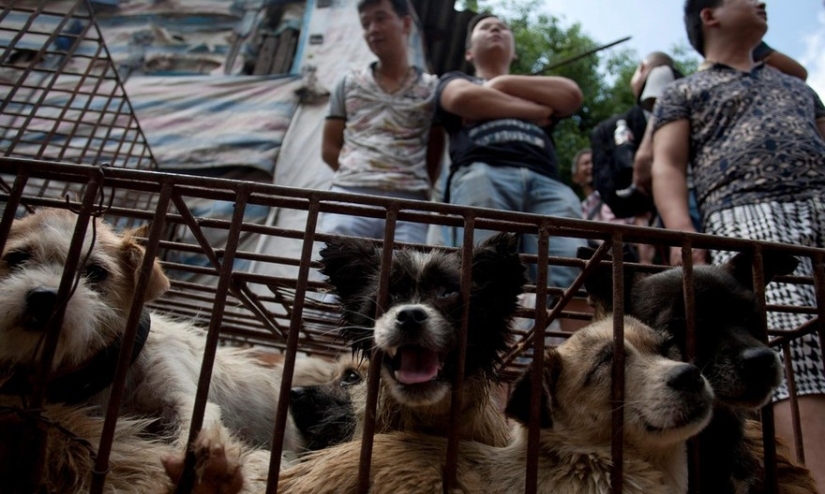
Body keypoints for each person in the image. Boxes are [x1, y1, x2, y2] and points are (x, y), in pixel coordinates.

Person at [651, 0, 825, 489]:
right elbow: (667, 164)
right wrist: (686, 236)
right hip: (746, 213)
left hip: (821, 204)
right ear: (709, 15)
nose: (762, 1)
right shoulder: (684, 89)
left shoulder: (798, 87)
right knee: (791, 350)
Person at [435, 12, 587, 331]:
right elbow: (461, 97)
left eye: (503, 28)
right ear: (468, 52)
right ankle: (488, 346)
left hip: (548, 183)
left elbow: (571, 94)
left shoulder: (525, 85)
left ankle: (540, 345)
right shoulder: (454, 78)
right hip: (482, 171)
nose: (495, 29)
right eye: (484, 27)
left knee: (564, 272)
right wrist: (537, 111)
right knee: (484, 265)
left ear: (515, 51)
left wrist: (500, 86)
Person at [319, 0, 444, 243]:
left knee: (404, 279)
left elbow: (436, 149)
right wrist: (359, 174)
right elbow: (328, 148)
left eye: (380, 18)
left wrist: (411, 182)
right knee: (339, 277)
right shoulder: (349, 83)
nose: (372, 29)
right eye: (365, 24)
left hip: (411, 204)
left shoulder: (431, 88)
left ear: (405, 23)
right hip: (349, 197)